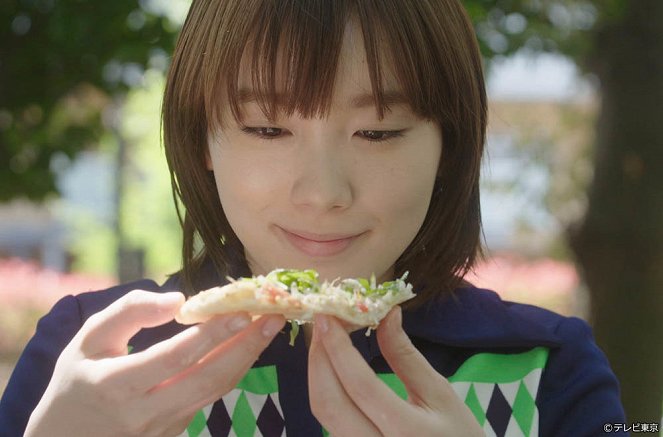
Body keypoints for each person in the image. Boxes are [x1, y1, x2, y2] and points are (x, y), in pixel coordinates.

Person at [0, 0, 626, 436]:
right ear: (201, 143)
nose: (323, 193)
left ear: (450, 149)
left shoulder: (549, 371)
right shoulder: (91, 359)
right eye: (268, 127)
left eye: (378, 132)